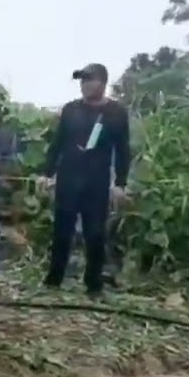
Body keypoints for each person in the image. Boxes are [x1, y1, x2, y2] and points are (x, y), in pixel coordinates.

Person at [37, 62, 132, 298]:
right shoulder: (71, 110)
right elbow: (57, 144)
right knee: (62, 231)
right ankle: (53, 280)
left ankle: (93, 284)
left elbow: (122, 151)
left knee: (95, 233)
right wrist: (46, 173)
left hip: (96, 181)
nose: (85, 85)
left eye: (89, 80)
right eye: (82, 80)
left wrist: (120, 183)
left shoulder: (116, 113)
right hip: (68, 179)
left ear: (102, 82)